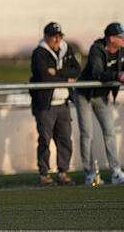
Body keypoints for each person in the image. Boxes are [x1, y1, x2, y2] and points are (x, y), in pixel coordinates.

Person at [29, 22, 80, 186]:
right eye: (53, 37)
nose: (57, 40)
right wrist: (66, 79)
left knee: (65, 139)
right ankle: (44, 174)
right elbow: (44, 76)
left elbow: (77, 70)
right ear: (46, 37)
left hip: (63, 103)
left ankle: (62, 172)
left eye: (59, 36)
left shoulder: (67, 49)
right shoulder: (39, 53)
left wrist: (57, 73)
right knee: (45, 139)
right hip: (46, 105)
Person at [75, 22, 124, 185]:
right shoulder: (96, 49)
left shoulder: (121, 51)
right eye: (120, 36)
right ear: (111, 39)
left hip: (102, 96)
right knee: (87, 134)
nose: (123, 39)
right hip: (85, 95)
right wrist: (118, 75)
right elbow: (97, 73)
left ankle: (116, 171)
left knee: (109, 132)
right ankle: (90, 174)